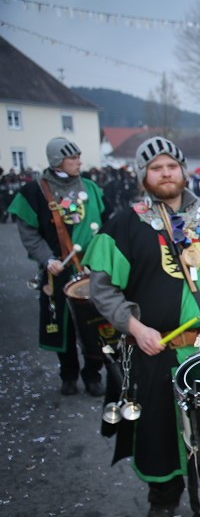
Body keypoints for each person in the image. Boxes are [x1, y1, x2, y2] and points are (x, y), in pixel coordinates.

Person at [83, 136, 200, 517]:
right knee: (159, 429)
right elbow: (101, 288)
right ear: (143, 175)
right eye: (156, 168)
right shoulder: (125, 225)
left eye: (171, 166)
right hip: (154, 348)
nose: (165, 173)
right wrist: (134, 327)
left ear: (183, 170)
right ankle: (162, 500)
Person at [10, 137, 109, 396]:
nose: (79, 162)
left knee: (95, 324)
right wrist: (47, 259)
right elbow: (29, 233)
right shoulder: (35, 191)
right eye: (73, 158)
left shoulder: (91, 188)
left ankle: (93, 374)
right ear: (57, 161)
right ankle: (68, 374)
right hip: (58, 269)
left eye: (78, 157)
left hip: (91, 269)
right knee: (62, 326)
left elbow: (107, 226)